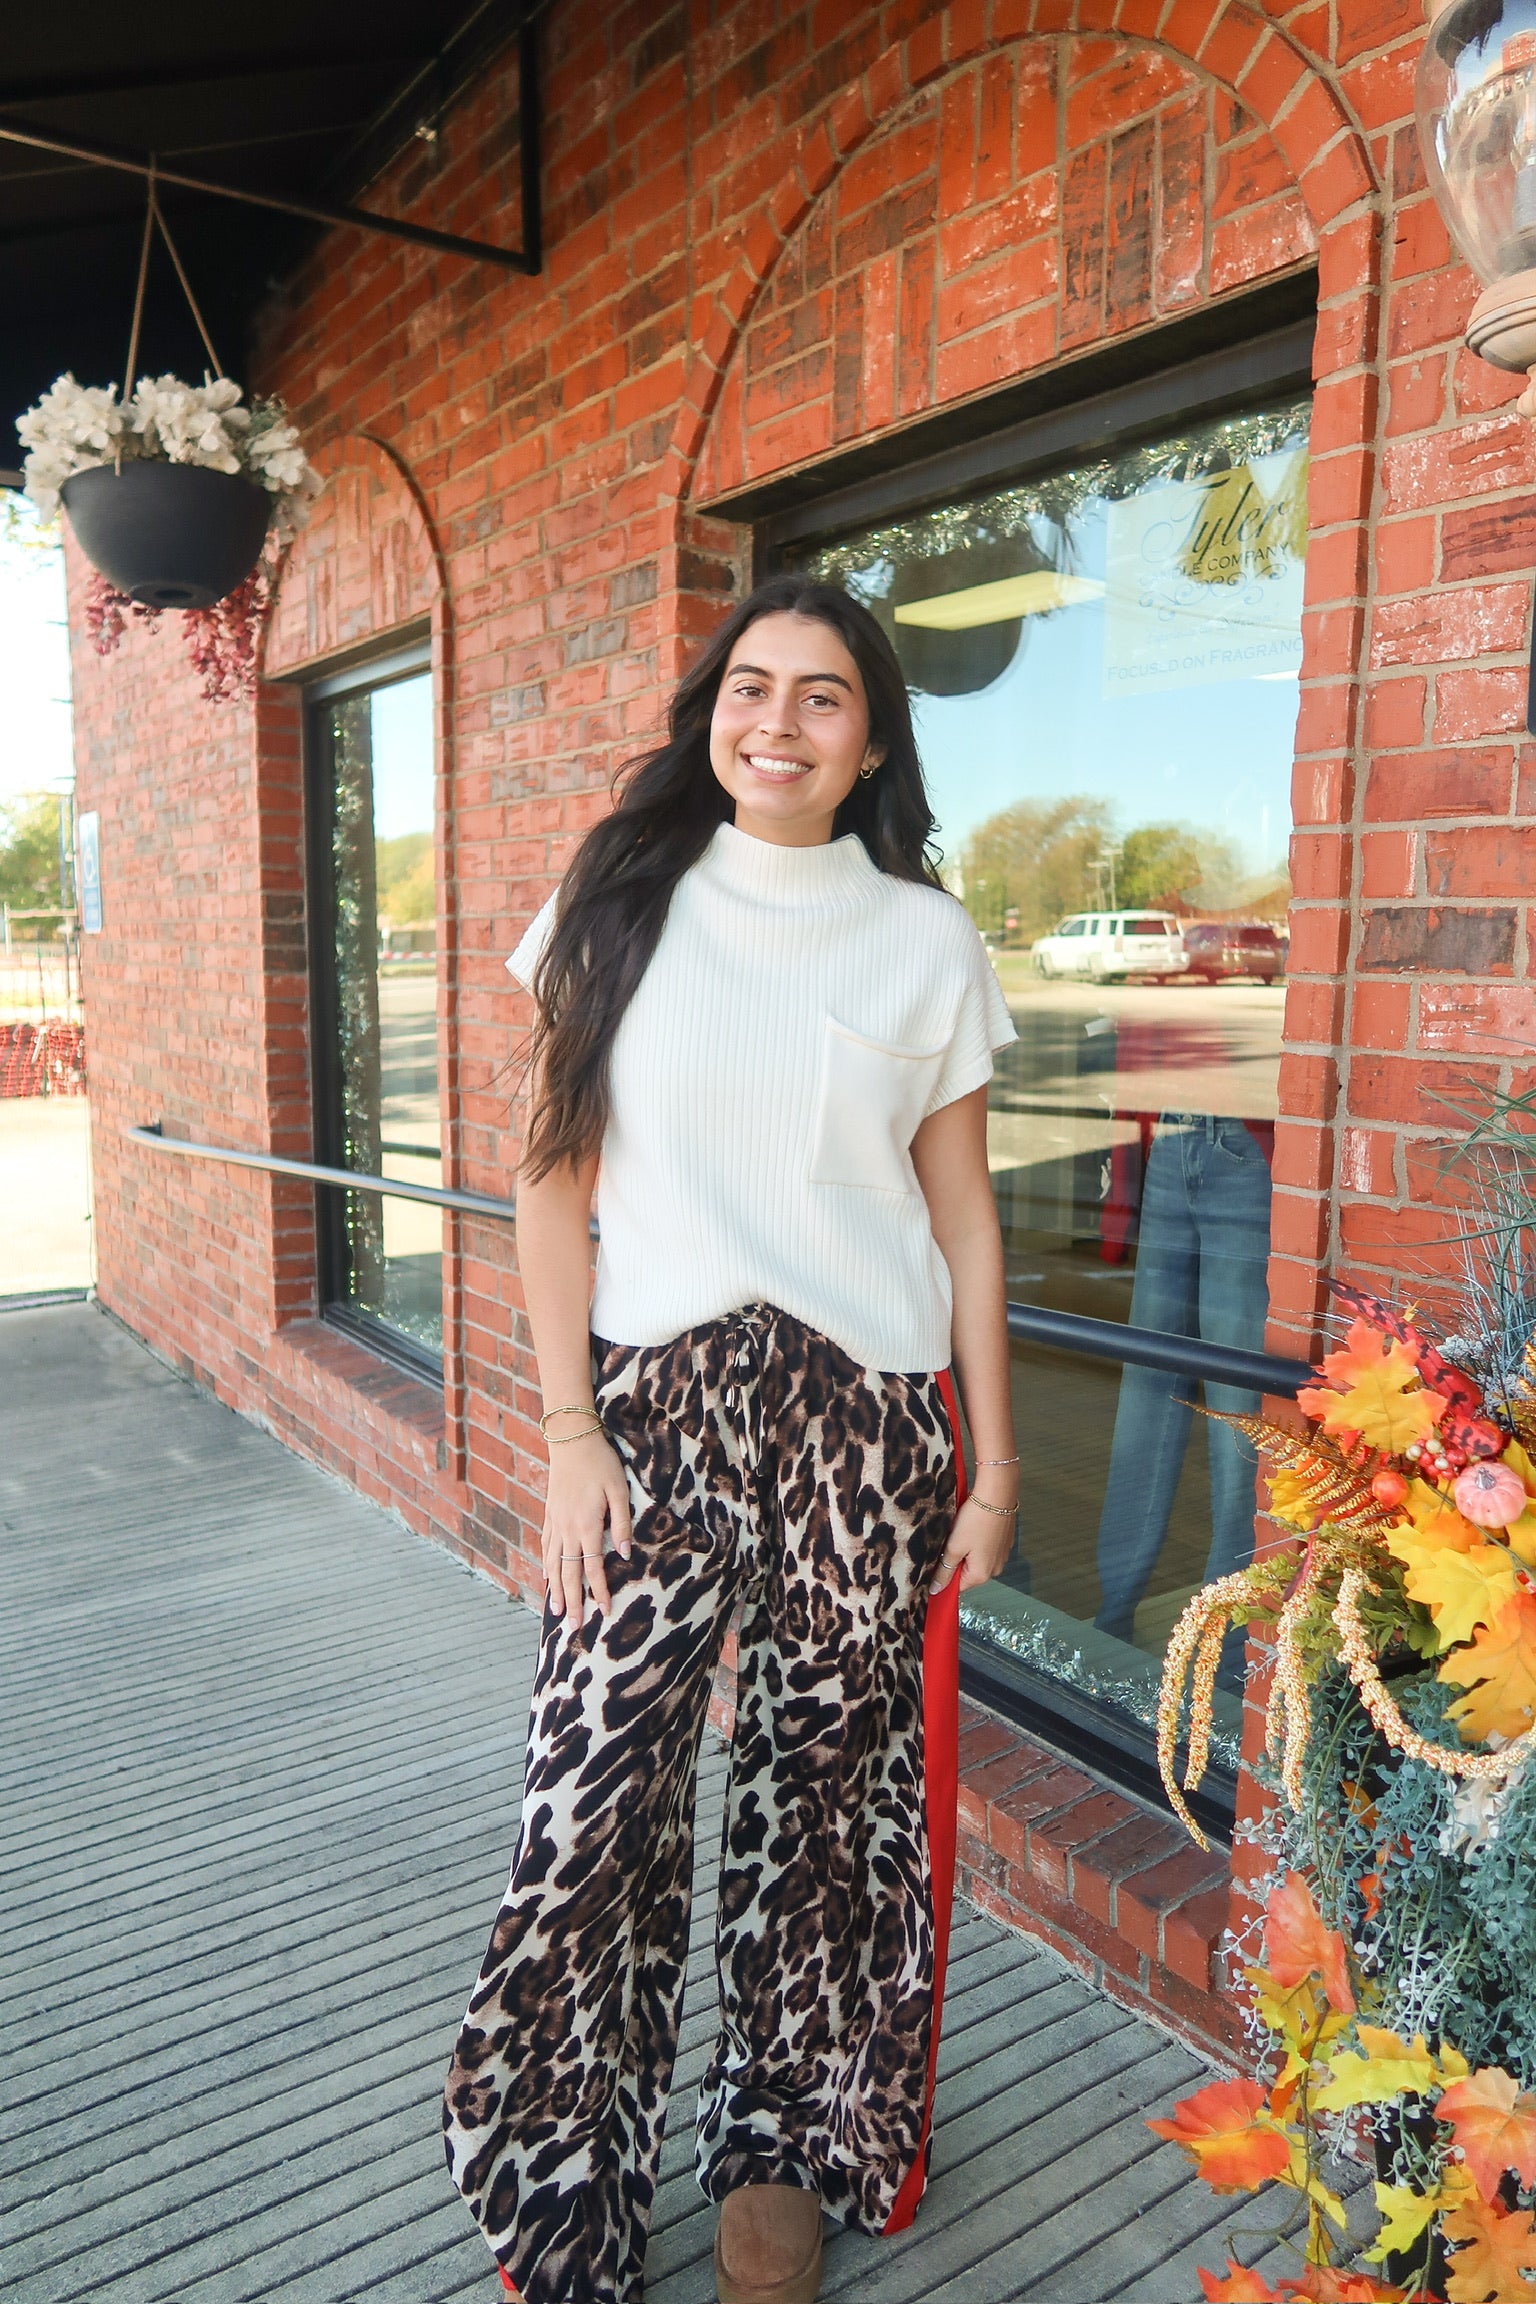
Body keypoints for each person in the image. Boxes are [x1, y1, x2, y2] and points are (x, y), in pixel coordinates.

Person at [443, 575, 1021, 2304]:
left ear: (870, 742)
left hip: (868, 1416)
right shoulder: (619, 901)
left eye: (822, 696)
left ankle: (780, 2146)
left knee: (830, 1805)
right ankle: (565, 2172)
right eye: (749, 685)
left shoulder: (927, 941)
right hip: (650, 1412)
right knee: (591, 1803)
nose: (776, 721)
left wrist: (994, 1467)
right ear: (714, 708)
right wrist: (563, 1433)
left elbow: (969, 1220)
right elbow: (549, 1187)